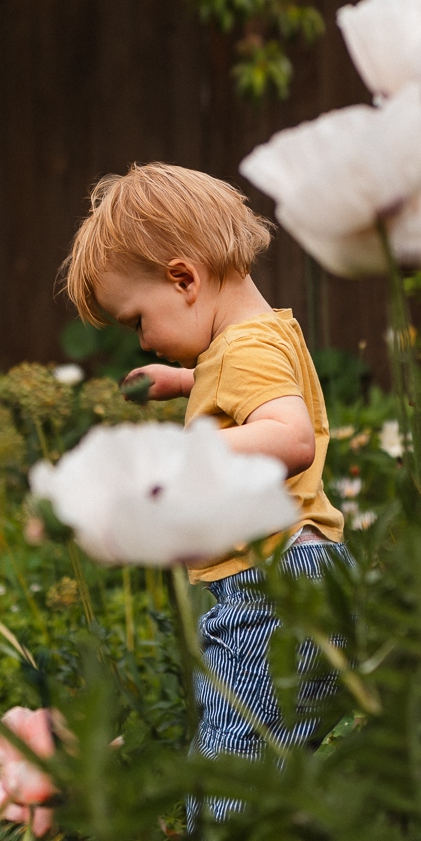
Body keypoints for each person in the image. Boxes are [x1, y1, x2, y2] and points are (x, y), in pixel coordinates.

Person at [59, 162, 347, 775]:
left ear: (184, 278)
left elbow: (291, 439)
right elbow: (244, 386)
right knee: (257, 759)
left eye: (138, 320)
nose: (142, 340)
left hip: (273, 587)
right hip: (297, 577)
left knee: (231, 773)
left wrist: (177, 458)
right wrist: (186, 380)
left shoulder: (246, 347)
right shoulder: (256, 339)